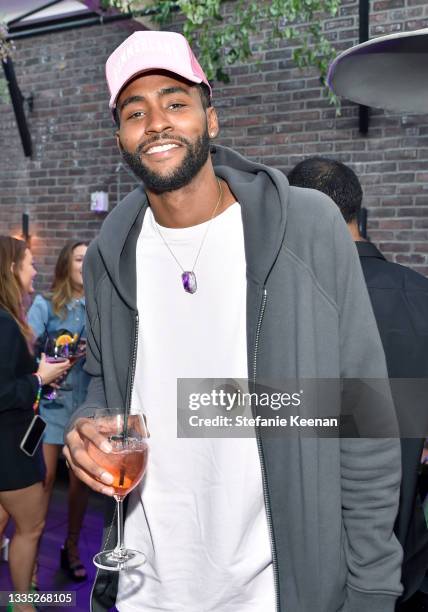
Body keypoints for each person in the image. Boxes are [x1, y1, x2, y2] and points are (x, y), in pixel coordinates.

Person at [64, 31, 403, 612]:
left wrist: (372, 585)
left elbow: (363, 411)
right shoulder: (107, 256)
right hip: (146, 587)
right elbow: (103, 384)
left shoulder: (307, 227)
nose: (156, 123)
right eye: (134, 111)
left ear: (211, 119)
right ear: (120, 136)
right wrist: (86, 426)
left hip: (276, 590)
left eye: (176, 103)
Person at [288, 156, 428, 610]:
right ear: (356, 210)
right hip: (404, 556)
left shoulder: (291, 301)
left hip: (304, 561)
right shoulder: (420, 295)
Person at [0, 236, 70, 612]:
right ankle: (22, 605)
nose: (35, 270)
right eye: (29, 263)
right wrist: (39, 378)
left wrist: (39, 375)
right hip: (11, 450)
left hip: (9, 445)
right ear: (11, 269)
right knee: (31, 528)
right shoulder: (5, 323)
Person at [27, 241, 90, 582]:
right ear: (67, 264)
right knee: (45, 480)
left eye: (89, 258)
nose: (86, 263)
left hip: (85, 404)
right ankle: (30, 557)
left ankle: (72, 547)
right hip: (51, 405)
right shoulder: (47, 303)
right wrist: (46, 360)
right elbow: (24, 341)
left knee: (82, 482)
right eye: (80, 258)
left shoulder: (100, 304)